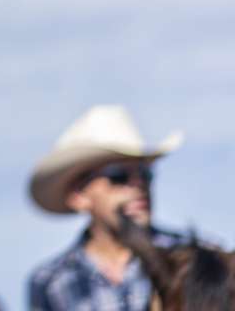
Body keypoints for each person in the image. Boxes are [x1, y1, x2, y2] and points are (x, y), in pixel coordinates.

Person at [27, 104, 186, 311]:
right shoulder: (49, 282)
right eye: (118, 176)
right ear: (79, 196)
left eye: (145, 175)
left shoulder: (193, 260)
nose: (138, 186)